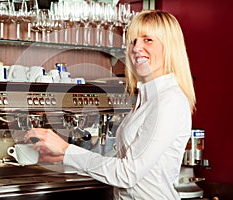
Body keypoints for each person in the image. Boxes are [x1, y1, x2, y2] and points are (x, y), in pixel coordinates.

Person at [26, 10, 196, 199]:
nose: (136, 48)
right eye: (133, 41)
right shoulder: (146, 98)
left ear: (169, 47)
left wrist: (67, 150)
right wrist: (65, 158)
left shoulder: (169, 101)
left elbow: (127, 174)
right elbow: (122, 163)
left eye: (148, 40)